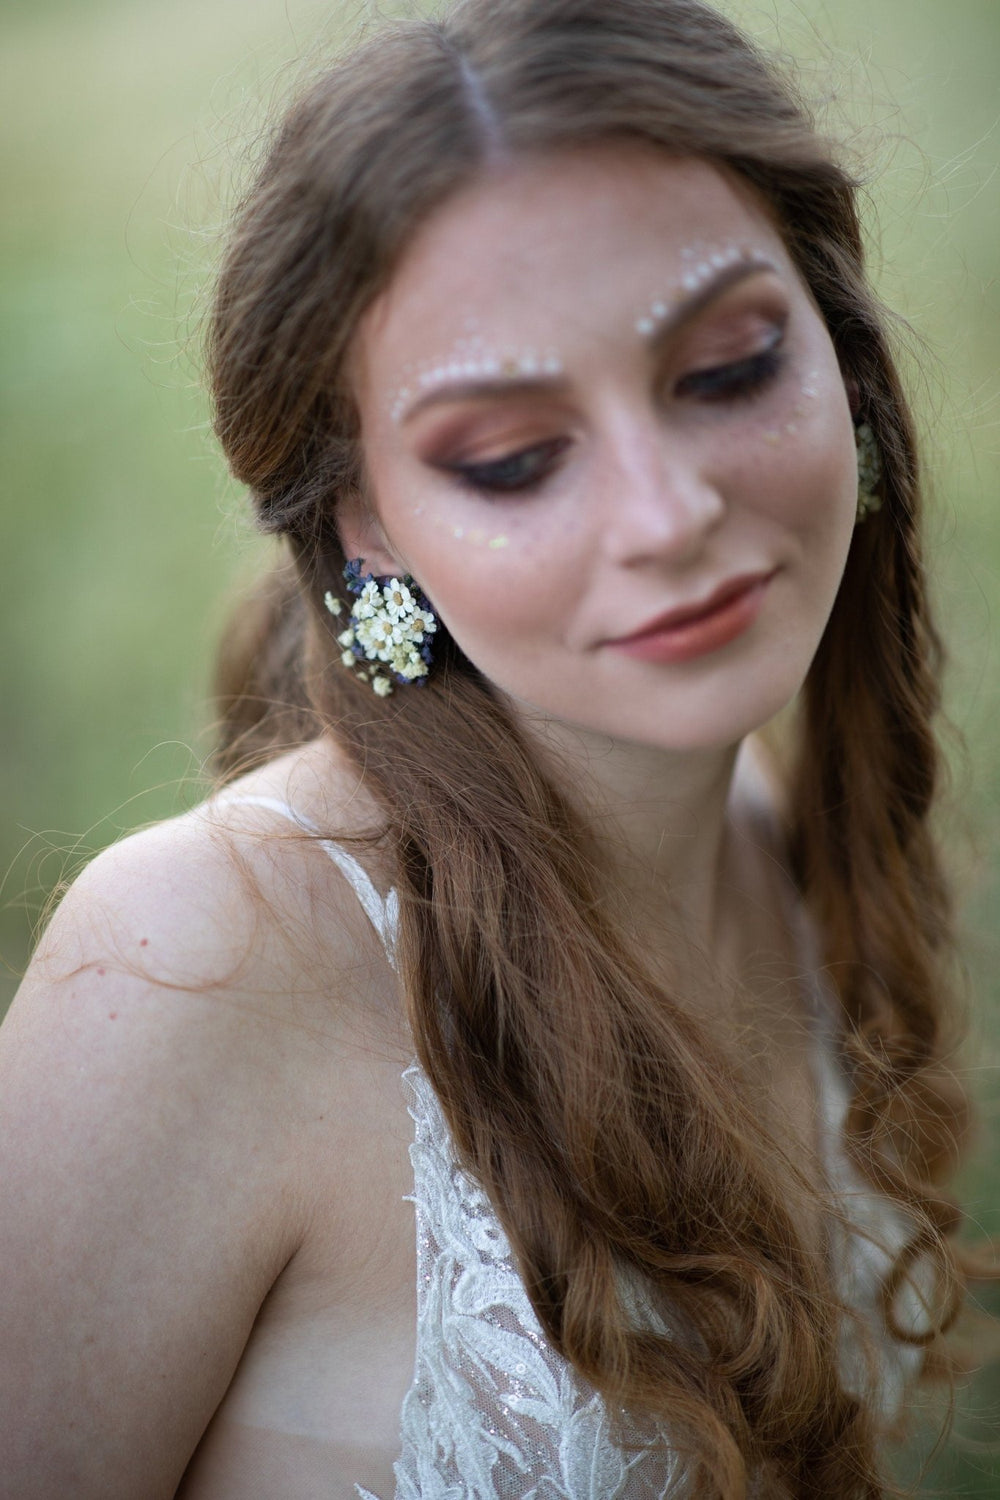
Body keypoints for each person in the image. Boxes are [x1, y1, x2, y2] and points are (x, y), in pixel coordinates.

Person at [0, 0, 984, 1495]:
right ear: (368, 523)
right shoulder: (185, 964)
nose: (668, 518)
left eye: (726, 369)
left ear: (838, 349)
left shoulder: (779, 837)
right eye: (514, 460)